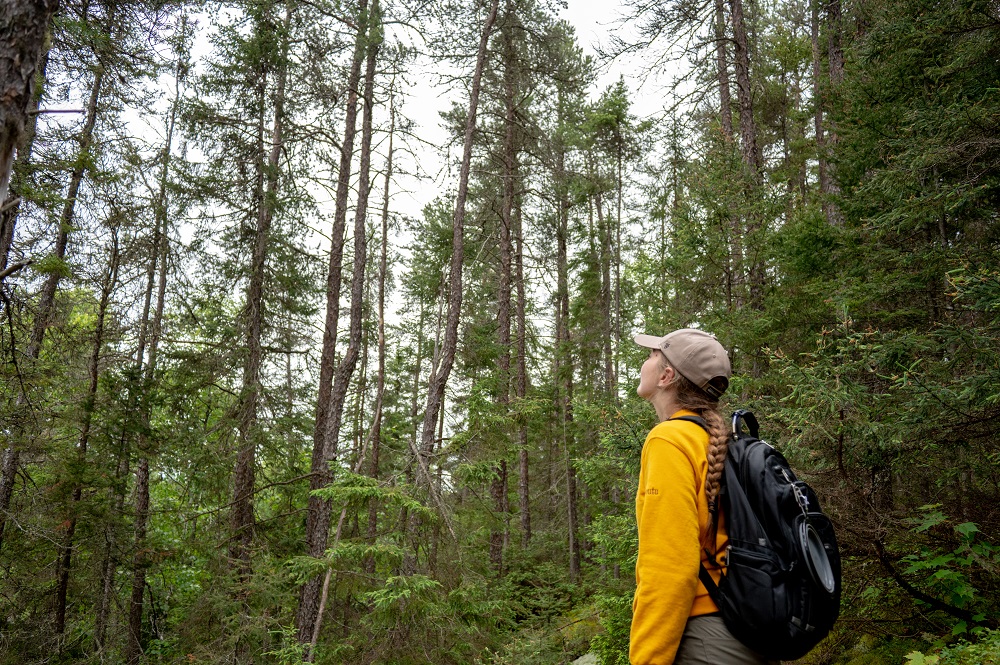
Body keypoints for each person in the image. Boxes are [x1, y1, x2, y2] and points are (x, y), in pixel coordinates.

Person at [629, 329, 774, 665]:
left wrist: (647, 659)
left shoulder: (670, 440)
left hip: (706, 639)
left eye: (652, 356)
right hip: (746, 629)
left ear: (666, 376)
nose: (645, 362)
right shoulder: (720, 440)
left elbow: (669, 567)